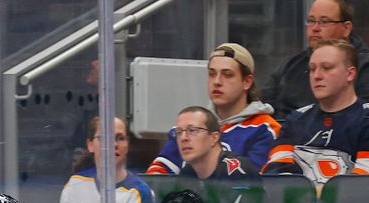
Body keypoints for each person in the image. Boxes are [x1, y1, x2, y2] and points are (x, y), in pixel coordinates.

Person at [147, 42, 281, 175]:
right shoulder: (186, 127)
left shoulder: (265, 129)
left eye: (227, 75)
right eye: (212, 74)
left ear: (246, 82)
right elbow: (157, 176)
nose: (217, 81)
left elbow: (253, 184)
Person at [262, 39, 369, 187]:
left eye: (326, 67)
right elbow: (276, 176)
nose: (316, 76)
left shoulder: (365, 119)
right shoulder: (295, 120)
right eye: (312, 69)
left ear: (350, 74)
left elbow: (361, 185)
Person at [262, 0, 369, 120]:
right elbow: (265, 105)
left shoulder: (364, 66)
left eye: (324, 21)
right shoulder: (290, 64)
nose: (315, 28)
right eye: (311, 21)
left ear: (346, 28)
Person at [57, 116, 156, 203]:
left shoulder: (141, 192)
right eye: (104, 138)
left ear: (127, 145)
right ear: (90, 145)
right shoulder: (74, 185)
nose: (113, 144)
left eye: (120, 138)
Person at [173, 106, 261, 203]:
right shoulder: (186, 175)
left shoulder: (236, 169)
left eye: (192, 130)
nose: (183, 138)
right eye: (179, 132)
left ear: (214, 138)